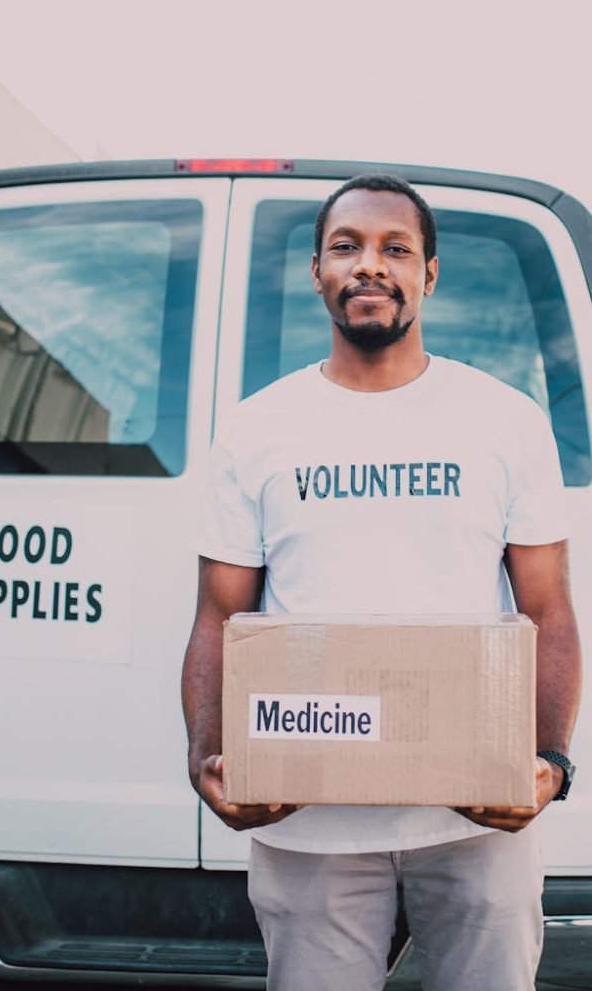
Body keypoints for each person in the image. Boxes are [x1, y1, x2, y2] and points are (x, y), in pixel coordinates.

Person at [181, 174, 581, 991]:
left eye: (394, 248)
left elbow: (547, 609)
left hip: (473, 816)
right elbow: (220, 613)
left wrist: (547, 763)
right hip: (306, 819)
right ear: (317, 273)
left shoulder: (503, 420)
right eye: (345, 247)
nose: (370, 265)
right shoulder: (259, 428)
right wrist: (206, 760)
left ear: (428, 274)